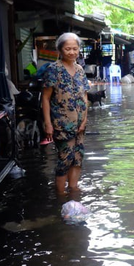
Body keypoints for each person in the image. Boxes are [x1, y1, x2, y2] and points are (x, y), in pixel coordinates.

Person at [41, 33, 90, 194]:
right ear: (60, 50)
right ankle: (61, 196)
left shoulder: (80, 70)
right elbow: (46, 98)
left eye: (75, 49)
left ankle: (74, 189)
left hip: (79, 125)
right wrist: (48, 124)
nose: (72, 52)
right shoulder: (53, 70)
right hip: (61, 124)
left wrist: (84, 121)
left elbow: (85, 96)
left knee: (77, 158)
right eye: (67, 49)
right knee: (65, 159)